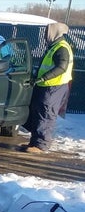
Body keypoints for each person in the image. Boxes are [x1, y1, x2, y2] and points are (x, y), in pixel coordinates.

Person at [22, 22, 74, 153]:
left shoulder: (61, 48)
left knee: (46, 113)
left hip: (54, 87)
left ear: (55, 32)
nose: (45, 35)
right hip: (45, 85)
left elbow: (61, 67)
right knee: (38, 112)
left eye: (47, 32)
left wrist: (43, 78)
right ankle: (34, 142)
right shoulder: (54, 46)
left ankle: (41, 145)